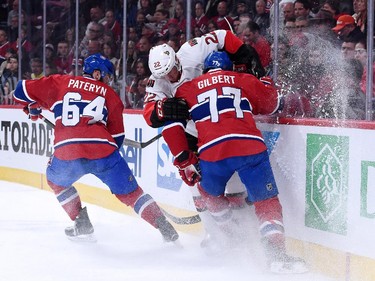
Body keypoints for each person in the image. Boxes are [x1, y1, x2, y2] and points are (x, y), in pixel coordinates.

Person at [161, 51, 308, 274]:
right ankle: (277, 255)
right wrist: (266, 82)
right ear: (230, 67)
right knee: (266, 202)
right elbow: (272, 105)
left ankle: (228, 232)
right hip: (250, 146)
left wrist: (183, 158)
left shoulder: (187, 88)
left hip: (212, 151)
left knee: (208, 194)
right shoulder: (243, 79)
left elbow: (172, 126)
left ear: (205, 70)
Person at [12, 53, 179, 243]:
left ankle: (81, 222)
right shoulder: (111, 95)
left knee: (56, 181)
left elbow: (19, 90)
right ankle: (165, 228)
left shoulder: (61, 82)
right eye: (107, 76)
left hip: (68, 151)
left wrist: (32, 104)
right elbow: (117, 138)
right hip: (104, 151)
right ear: (98, 74)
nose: (108, 80)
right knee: (132, 194)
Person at [144, 30, 265, 250]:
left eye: (172, 70)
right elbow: (151, 115)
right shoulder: (157, 82)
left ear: (176, 59)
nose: (170, 77)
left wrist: (242, 51)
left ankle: (245, 227)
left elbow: (223, 36)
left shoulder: (192, 50)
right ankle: (214, 232)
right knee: (195, 182)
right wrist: (161, 110)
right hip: (193, 129)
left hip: (220, 123)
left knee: (235, 176)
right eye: (165, 76)